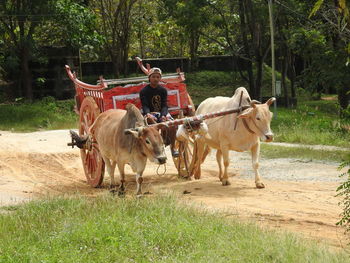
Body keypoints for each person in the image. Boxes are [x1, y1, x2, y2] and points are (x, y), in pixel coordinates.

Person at [139, 67, 178, 157]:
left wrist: (163, 115)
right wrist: (148, 114)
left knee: (172, 124)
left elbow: (164, 105)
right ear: (149, 78)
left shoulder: (163, 90)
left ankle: (173, 148)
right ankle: (150, 148)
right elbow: (144, 105)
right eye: (153, 77)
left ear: (160, 78)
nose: (156, 79)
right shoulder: (144, 91)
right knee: (148, 124)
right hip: (150, 113)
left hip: (161, 112)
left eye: (158, 77)